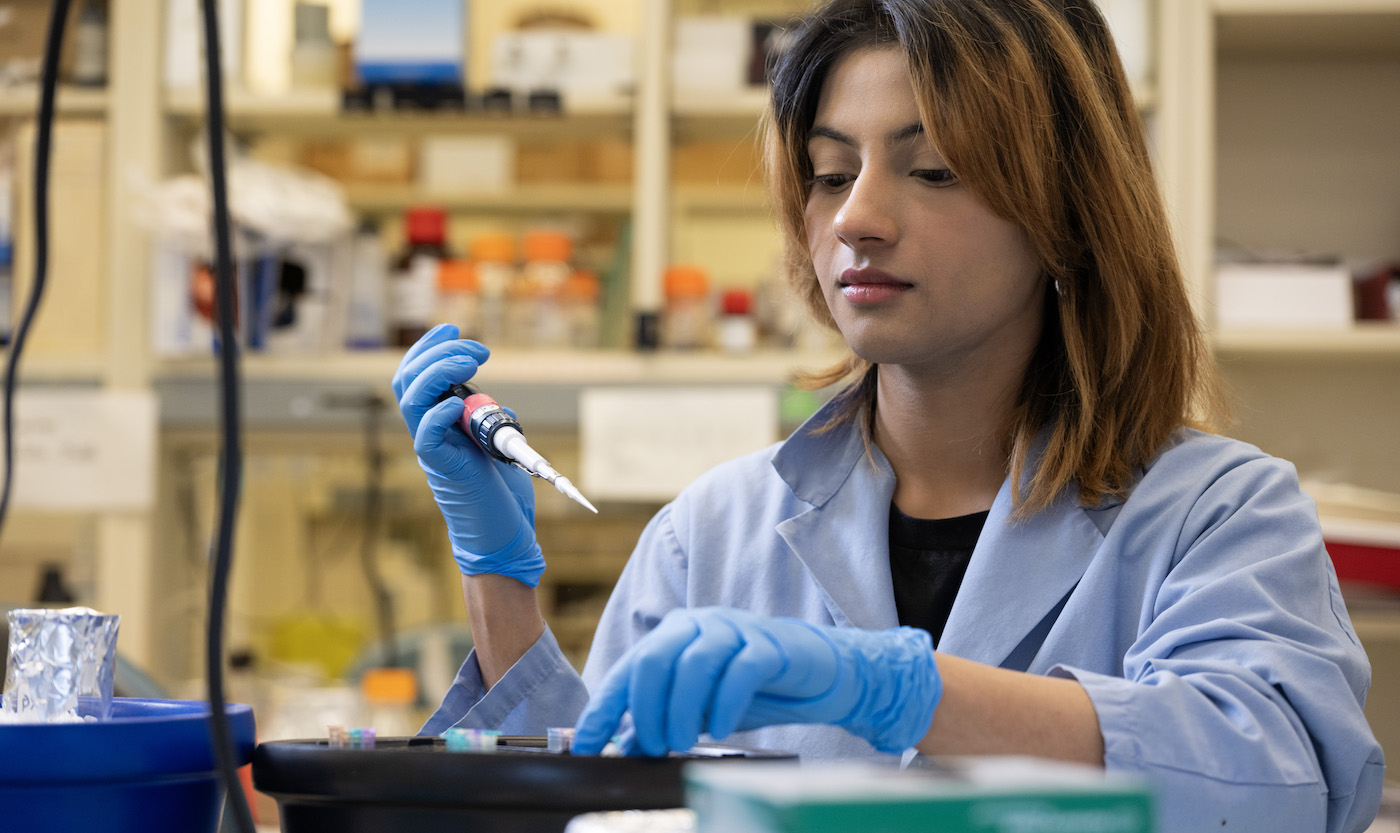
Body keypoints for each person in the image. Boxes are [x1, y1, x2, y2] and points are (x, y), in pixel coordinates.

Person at [390, 1, 1384, 830]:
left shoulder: (1216, 512)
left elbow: (1280, 784)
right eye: (829, 173)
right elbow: (611, 805)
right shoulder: (710, 532)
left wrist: (901, 688)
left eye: (932, 167)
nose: (855, 218)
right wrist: (499, 587)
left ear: (1067, 213)